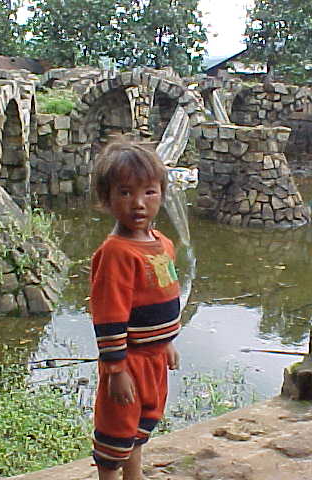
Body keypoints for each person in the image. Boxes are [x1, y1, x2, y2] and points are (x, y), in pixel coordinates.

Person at [90, 142, 181, 480]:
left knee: (143, 420)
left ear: (161, 194)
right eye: (125, 192)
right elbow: (108, 314)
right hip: (127, 360)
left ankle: (135, 474)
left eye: (149, 192)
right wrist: (115, 370)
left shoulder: (163, 244)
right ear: (107, 198)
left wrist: (167, 341)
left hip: (154, 356)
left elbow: (162, 297)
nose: (139, 203)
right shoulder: (116, 253)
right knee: (117, 428)